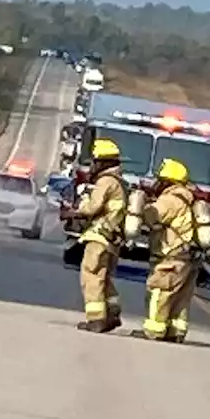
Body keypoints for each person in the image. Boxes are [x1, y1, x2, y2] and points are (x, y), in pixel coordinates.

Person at [134, 157, 203, 344]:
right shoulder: (188, 198)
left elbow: (151, 216)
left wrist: (141, 205)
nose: (157, 183)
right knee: (181, 297)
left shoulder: (171, 200)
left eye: (160, 179)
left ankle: (154, 330)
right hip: (189, 258)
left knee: (159, 290)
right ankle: (175, 331)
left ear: (168, 181)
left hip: (172, 256)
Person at [73, 137, 127, 333]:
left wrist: (75, 210)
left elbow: (93, 207)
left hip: (99, 236)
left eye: (95, 161)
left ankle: (96, 319)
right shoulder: (119, 182)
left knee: (92, 276)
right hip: (111, 239)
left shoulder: (106, 181)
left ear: (105, 162)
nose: (93, 166)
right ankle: (112, 313)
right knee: (104, 278)